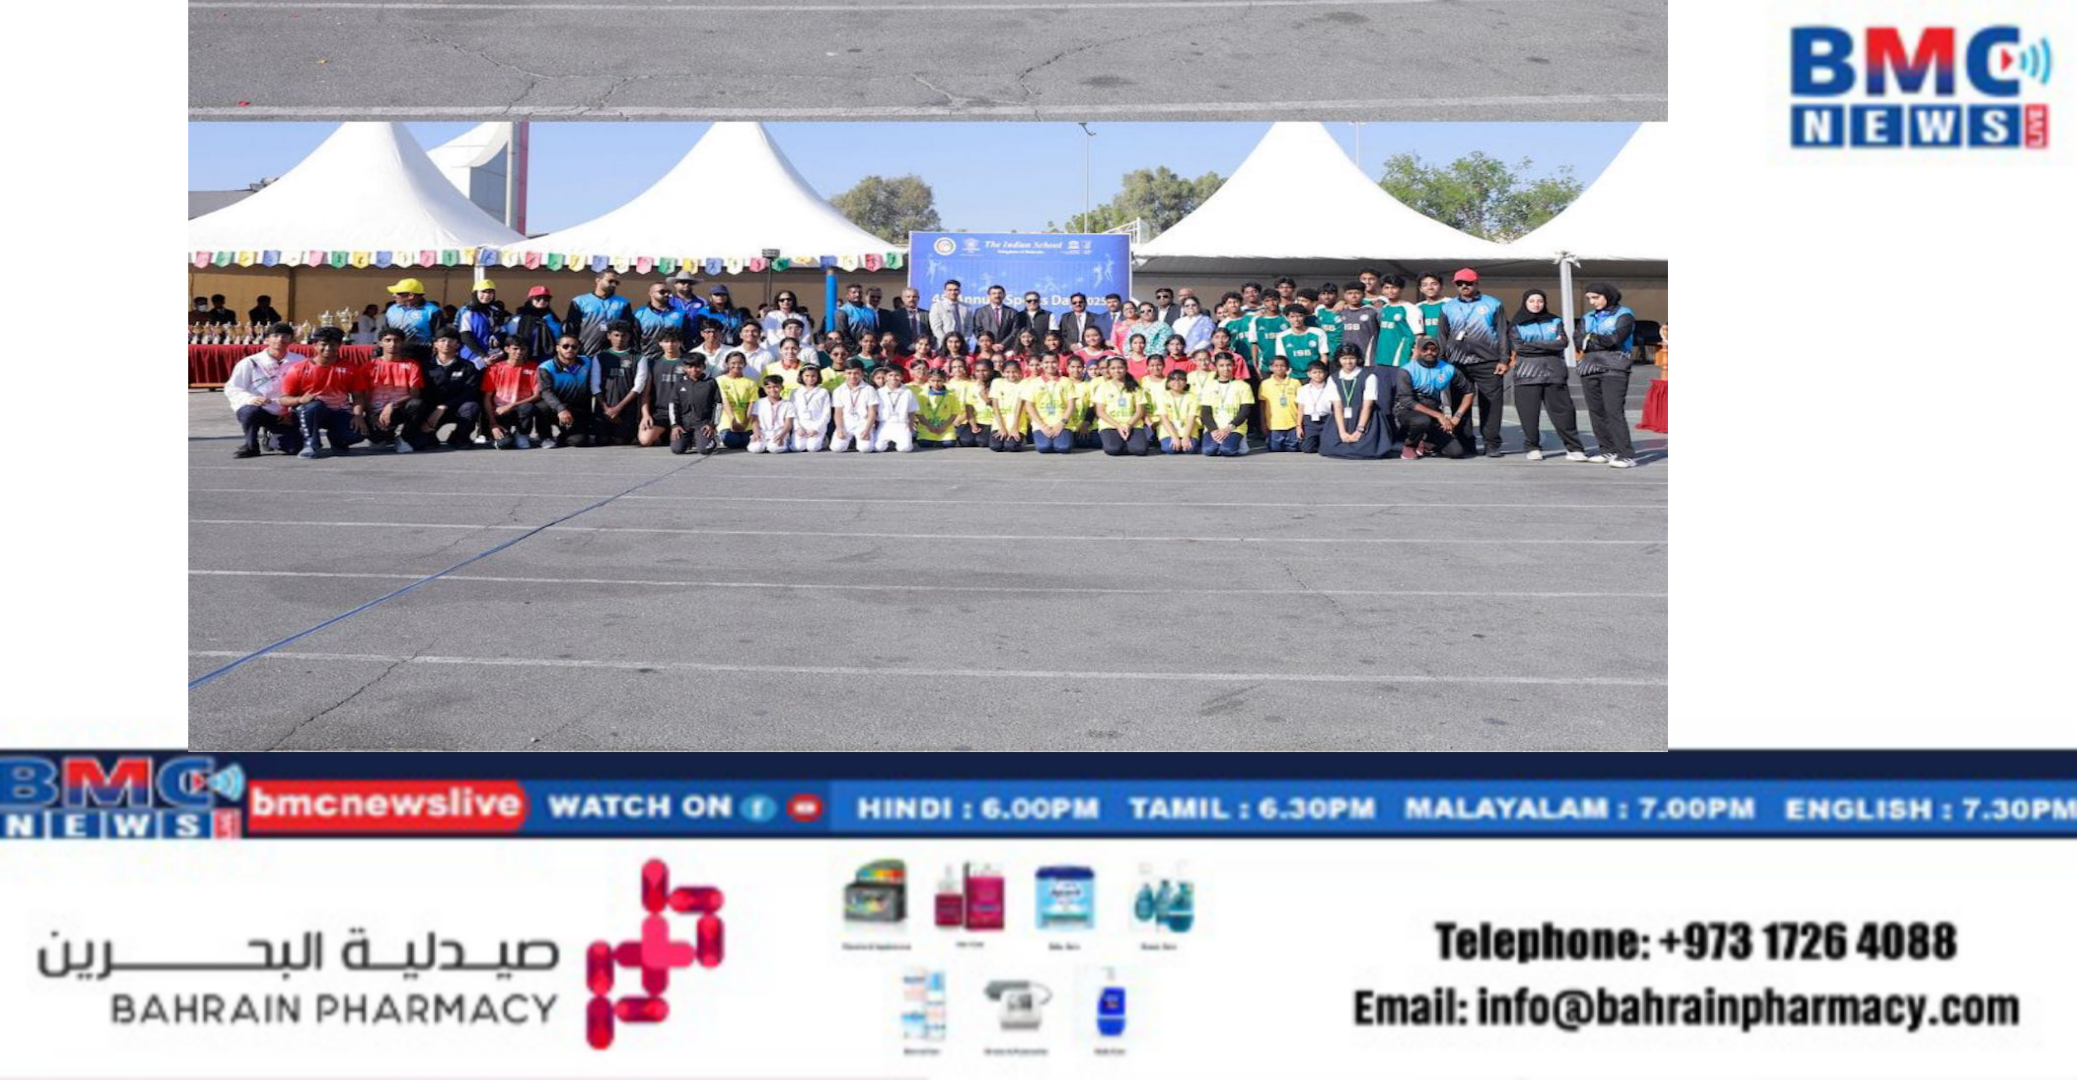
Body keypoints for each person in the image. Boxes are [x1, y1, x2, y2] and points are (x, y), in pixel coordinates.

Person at [1436, 268, 1512, 457]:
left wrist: (1504, 359)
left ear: (1477, 283)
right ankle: (1465, 443)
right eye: (1460, 283)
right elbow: (1442, 336)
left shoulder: (1493, 304)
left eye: (1468, 283)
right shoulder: (1447, 307)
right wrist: (1442, 363)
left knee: (1491, 404)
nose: (1464, 286)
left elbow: (1503, 333)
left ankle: (1491, 443)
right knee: (1459, 403)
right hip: (1457, 363)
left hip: (1488, 362)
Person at [1510, 289, 1588, 461]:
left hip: (1554, 374)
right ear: (1525, 303)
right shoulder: (1516, 324)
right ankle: (1533, 447)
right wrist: (1550, 344)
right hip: (1527, 375)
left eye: (1540, 301)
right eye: (1532, 301)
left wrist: (1533, 344)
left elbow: (1563, 343)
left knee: (1565, 413)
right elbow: (1520, 347)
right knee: (1529, 415)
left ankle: (1574, 448)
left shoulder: (1555, 320)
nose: (1536, 304)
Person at [277, 326, 370, 459]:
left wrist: (358, 416)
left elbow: (358, 396)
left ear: (339, 345)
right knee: (313, 407)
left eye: (332, 345)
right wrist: (300, 400)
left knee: (359, 433)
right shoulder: (298, 368)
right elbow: (283, 399)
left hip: (339, 412)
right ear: (315, 345)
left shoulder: (351, 368)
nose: (328, 348)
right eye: (324, 344)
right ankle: (311, 444)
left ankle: (337, 440)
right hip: (310, 412)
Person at [1576, 282, 1639, 468]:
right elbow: (1578, 340)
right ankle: (1607, 450)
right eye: (1589, 298)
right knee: (1596, 411)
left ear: (1607, 296)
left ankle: (1626, 454)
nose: (1592, 302)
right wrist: (1592, 340)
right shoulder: (1587, 317)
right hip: (1589, 366)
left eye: (1595, 297)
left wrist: (1590, 338)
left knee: (1614, 411)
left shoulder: (1624, 314)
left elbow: (1616, 339)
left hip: (1615, 367)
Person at [222, 322, 303, 458]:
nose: (280, 339)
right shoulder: (250, 362)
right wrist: (250, 399)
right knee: (249, 411)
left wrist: (293, 407)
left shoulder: (300, 361)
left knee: (295, 448)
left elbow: (307, 388)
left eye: (285, 336)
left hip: (287, 412)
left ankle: (272, 437)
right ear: (266, 339)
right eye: (275, 336)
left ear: (291, 339)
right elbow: (233, 388)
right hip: (261, 409)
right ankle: (251, 446)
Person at [1395, 336, 1472, 460]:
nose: (1429, 352)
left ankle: (1426, 443)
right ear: (1418, 350)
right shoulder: (1407, 370)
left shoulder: (1448, 369)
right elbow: (1407, 400)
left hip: (1433, 408)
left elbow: (1469, 392)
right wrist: (1439, 416)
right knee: (1422, 421)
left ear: (1438, 351)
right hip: (1408, 410)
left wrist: (1456, 417)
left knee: (1456, 452)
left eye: (1433, 349)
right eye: (1425, 349)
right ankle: (1410, 446)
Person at [367, 325, 434, 452]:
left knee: (417, 404)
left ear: (402, 343)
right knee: (375, 439)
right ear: (380, 343)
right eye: (388, 340)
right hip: (376, 414)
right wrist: (371, 415)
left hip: (400, 409)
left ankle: (404, 438)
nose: (392, 344)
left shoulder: (412, 365)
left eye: (396, 340)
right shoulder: (369, 366)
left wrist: (392, 405)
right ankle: (385, 435)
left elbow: (415, 394)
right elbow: (363, 395)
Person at [421, 328, 485, 449]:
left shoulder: (468, 366)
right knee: (422, 442)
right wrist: (435, 409)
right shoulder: (425, 366)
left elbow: (470, 392)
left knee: (471, 407)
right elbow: (422, 392)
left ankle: (459, 437)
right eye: (442, 340)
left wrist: (445, 406)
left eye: (451, 340)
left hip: (456, 408)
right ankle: (428, 434)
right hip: (431, 410)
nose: (447, 343)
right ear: (435, 344)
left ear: (458, 345)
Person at [1319, 345, 1386, 460]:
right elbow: (1337, 406)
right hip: (1342, 418)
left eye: (1352, 358)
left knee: (1366, 449)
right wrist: (1342, 432)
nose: (1348, 362)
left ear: (1358, 359)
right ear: (1338, 360)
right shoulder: (1333, 378)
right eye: (1344, 358)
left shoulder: (1369, 376)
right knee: (1329, 447)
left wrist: (1359, 430)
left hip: (1364, 417)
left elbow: (1368, 406)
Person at [535, 332, 600, 448]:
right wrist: (561, 409)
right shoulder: (546, 367)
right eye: (565, 346)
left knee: (578, 441)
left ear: (578, 349)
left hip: (577, 410)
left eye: (574, 347)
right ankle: (545, 437)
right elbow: (546, 392)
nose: (570, 349)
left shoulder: (587, 362)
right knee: (541, 407)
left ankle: (563, 436)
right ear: (557, 348)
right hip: (555, 409)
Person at [482, 334, 543, 449]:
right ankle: (501, 436)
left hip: (520, 410)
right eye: (515, 348)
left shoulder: (534, 367)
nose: (519, 352)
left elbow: (537, 395)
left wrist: (511, 405)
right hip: (499, 412)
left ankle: (522, 434)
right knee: (504, 444)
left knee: (527, 407)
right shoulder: (495, 368)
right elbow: (487, 398)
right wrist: (493, 423)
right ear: (506, 349)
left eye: (522, 349)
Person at [593, 321, 647, 446]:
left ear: (629, 336)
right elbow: (594, 385)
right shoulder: (600, 357)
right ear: (609, 336)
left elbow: (638, 387)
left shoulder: (639, 357)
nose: (620, 339)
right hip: (604, 408)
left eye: (624, 335)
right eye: (616, 335)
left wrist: (618, 408)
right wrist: (606, 409)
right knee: (601, 441)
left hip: (627, 408)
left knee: (620, 441)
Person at [641, 329, 693, 447]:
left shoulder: (688, 363)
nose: (670, 345)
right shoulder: (653, 363)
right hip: (661, 412)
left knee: (680, 445)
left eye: (674, 341)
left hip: (683, 412)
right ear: (660, 343)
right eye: (666, 341)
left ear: (680, 343)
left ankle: (673, 435)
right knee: (645, 440)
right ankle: (663, 434)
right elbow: (646, 394)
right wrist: (645, 415)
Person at [1197, 352, 1254, 457]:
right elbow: (1205, 412)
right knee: (1209, 451)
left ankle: (1239, 441)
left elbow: (1245, 411)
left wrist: (1228, 428)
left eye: (1228, 365)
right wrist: (1213, 430)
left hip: (1234, 427)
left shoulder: (1243, 386)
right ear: (1216, 367)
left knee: (1227, 450)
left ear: (1234, 365)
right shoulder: (1209, 386)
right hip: (1215, 427)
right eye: (1221, 365)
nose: (1225, 369)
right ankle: (1222, 443)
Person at [664, 352, 722, 455]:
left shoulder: (710, 382)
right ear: (684, 368)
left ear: (703, 367)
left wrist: (712, 425)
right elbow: (673, 404)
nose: (694, 370)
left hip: (703, 423)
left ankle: (711, 441)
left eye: (697, 367)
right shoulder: (679, 383)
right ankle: (689, 440)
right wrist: (675, 425)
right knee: (677, 449)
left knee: (704, 450)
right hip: (684, 424)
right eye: (690, 367)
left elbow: (718, 404)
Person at [565, 270, 633, 355]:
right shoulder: (580, 301)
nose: (614, 285)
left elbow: (626, 329)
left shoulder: (623, 303)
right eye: (610, 281)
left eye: (616, 283)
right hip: (585, 351)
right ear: (598, 280)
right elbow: (571, 329)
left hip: (612, 354)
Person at [1019, 352, 1075, 454]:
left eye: (1053, 362)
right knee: (1044, 447)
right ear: (1041, 364)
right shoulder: (1034, 383)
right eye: (1046, 362)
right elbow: (1029, 406)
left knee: (1063, 447)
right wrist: (1043, 425)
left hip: (1062, 424)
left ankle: (1063, 438)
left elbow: (1071, 405)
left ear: (1058, 363)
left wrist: (1061, 424)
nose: (1050, 365)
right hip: (1041, 424)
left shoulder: (1066, 381)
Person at [1094, 357, 1149, 457]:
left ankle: (1127, 444)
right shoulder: (1103, 387)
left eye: (1120, 368)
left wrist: (1129, 425)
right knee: (1113, 449)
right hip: (1111, 425)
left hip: (1132, 424)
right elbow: (1100, 411)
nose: (1117, 371)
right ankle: (1121, 444)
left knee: (1140, 450)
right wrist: (1118, 426)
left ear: (1126, 368)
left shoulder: (1135, 387)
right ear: (1108, 370)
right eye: (1113, 368)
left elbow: (1140, 411)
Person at [829, 362, 880, 453]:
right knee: (837, 448)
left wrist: (867, 430)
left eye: (856, 373)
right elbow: (838, 413)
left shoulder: (869, 389)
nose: (852, 376)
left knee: (865, 449)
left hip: (863, 423)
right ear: (844, 374)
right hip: (846, 423)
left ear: (862, 374)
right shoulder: (838, 390)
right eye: (849, 373)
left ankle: (869, 436)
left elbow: (872, 411)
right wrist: (840, 429)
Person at [504, 286, 563, 364]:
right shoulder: (519, 317)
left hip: (546, 359)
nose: (542, 301)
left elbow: (558, 337)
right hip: (523, 357)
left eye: (546, 299)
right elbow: (510, 336)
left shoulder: (552, 318)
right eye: (538, 298)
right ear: (530, 299)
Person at [382, 279, 442, 354]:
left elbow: (440, 335)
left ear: (411, 295)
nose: (394, 295)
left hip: (422, 354)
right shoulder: (392, 309)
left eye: (398, 293)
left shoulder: (433, 311)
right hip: (396, 353)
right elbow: (385, 332)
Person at [1373, 274, 1421, 368]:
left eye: (1394, 288)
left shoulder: (1410, 308)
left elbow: (1419, 336)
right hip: (1382, 358)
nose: (1390, 291)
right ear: (1382, 290)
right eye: (1386, 288)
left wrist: (1414, 358)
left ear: (1401, 289)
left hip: (1402, 359)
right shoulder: (1385, 308)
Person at [1256, 355, 1302, 452]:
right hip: (1274, 425)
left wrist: (1299, 424)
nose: (1279, 368)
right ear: (1271, 368)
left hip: (1292, 424)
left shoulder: (1295, 383)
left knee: (1293, 448)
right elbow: (1262, 405)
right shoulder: (1265, 384)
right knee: (1275, 448)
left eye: (1282, 366)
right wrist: (1263, 423)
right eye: (1276, 366)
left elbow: (1300, 405)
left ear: (1288, 368)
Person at [634, 282, 690, 360]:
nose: (667, 294)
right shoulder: (639, 314)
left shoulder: (680, 314)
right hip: (648, 358)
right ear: (651, 294)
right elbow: (635, 339)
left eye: (668, 292)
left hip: (674, 359)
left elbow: (687, 337)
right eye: (662, 292)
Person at [1273, 304, 1330, 378]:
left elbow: (1324, 355)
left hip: (1314, 376)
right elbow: (1282, 359)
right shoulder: (1282, 336)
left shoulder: (1318, 332)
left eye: (1299, 316)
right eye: (1292, 317)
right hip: (1293, 376)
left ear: (1304, 316)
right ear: (1287, 318)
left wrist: (1318, 373)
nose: (1296, 319)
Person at [716, 351, 759, 450]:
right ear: (727, 364)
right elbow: (725, 401)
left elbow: (751, 404)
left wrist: (745, 423)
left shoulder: (751, 382)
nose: (737, 366)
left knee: (746, 442)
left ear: (745, 364)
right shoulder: (720, 380)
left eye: (740, 363)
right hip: (727, 422)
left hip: (746, 423)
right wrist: (733, 421)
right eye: (733, 363)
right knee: (733, 441)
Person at [912, 365, 961, 449]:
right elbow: (919, 414)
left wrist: (944, 427)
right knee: (924, 443)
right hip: (927, 427)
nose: (936, 384)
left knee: (948, 443)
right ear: (928, 380)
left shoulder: (951, 395)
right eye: (933, 381)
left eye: (939, 381)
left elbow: (954, 413)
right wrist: (930, 426)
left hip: (945, 428)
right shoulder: (922, 395)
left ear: (944, 380)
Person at [1151, 368, 1198, 455]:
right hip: (1168, 432)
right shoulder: (1162, 396)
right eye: (1173, 379)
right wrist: (1175, 437)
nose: (1177, 382)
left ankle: (1182, 444)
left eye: (1180, 379)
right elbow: (1164, 419)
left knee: (1189, 450)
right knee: (1170, 449)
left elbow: (1192, 418)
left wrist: (1186, 437)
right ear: (1168, 383)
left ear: (1185, 382)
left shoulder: (1193, 397)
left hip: (1188, 431)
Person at [873, 365, 919, 453]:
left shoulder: (908, 392)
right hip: (885, 424)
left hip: (902, 424)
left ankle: (899, 441)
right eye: (890, 375)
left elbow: (911, 412)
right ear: (886, 377)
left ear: (902, 377)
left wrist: (909, 428)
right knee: (878, 448)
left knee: (904, 448)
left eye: (897, 375)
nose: (893, 378)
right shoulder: (879, 392)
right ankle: (890, 442)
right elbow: (874, 411)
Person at [455, 281, 504, 363]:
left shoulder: (496, 311)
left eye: (490, 292)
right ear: (475, 293)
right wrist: (482, 355)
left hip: (493, 356)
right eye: (483, 291)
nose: (487, 295)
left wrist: (501, 351)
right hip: (471, 356)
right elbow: (465, 336)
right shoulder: (467, 311)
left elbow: (501, 332)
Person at [748, 375, 796, 454]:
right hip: (763, 432)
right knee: (755, 449)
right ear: (764, 389)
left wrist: (782, 435)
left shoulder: (788, 404)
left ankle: (781, 443)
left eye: (776, 387)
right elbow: (755, 420)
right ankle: (764, 444)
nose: (772, 390)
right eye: (769, 387)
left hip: (779, 433)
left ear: (782, 387)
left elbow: (788, 423)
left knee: (774, 448)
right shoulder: (759, 402)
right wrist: (756, 432)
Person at [789, 364, 832, 451]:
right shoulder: (795, 392)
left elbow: (826, 413)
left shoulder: (823, 392)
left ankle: (823, 439)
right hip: (801, 425)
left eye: (813, 376)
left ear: (818, 376)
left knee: (813, 448)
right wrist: (798, 427)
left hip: (816, 425)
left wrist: (817, 428)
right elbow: (793, 412)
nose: (810, 378)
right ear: (801, 376)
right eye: (807, 376)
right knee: (797, 448)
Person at [988, 358, 1027, 452]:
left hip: (1017, 424)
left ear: (1020, 372)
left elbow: (1019, 406)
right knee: (996, 446)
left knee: (1011, 446)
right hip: (999, 423)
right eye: (1007, 372)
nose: (1011, 375)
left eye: (1014, 372)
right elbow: (995, 406)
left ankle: (1023, 440)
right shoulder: (997, 382)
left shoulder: (1024, 383)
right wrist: (1001, 428)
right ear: (1002, 372)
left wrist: (1014, 428)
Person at [960, 358, 998, 448]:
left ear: (991, 371)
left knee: (982, 441)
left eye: (984, 370)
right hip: (977, 420)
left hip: (992, 421)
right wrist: (973, 425)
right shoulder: (971, 386)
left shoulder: (997, 384)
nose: (981, 373)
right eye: (978, 371)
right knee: (965, 441)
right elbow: (969, 409)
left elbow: (998, 408)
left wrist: (986, 399)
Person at [1296, 360, 1333, 453]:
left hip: (1326, 419)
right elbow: (1300, 409)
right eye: (1314, 372)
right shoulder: (1303, 389)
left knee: (1328, 447)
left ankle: (1323, 443)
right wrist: (1299, 426)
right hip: (1309, 421)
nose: (1318, 375)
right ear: (1309, 374)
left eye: (1320, 372)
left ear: (1325, 373)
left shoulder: (1331, 388)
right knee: (1307, 448)